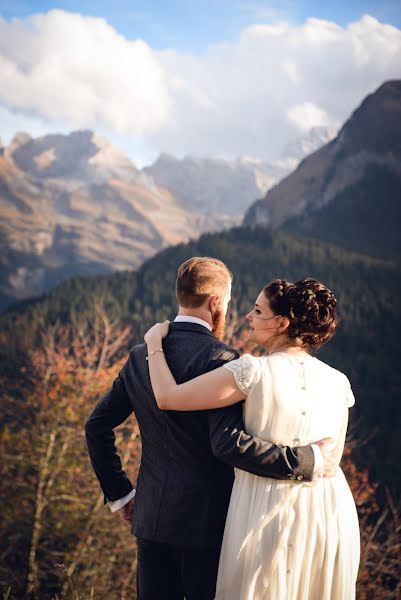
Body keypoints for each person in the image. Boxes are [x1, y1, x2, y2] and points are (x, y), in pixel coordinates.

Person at [85, 258, 336, 600]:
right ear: (216, 302)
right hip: (208, 525)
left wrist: (122, 495)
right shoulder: (225, 360)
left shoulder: (140, 354)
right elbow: (228, 444)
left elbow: (96, 426)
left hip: (151, 519)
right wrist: (307, 461)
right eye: (231, 304)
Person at [145, 276, 360, 600]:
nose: (248, 317)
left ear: (282, 323)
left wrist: (153, 344)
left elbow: (168, 396)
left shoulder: (251, 371)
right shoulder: (339, 382)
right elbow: (331, 459)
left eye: (258, 311)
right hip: (328, 513)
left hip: (264, 507)